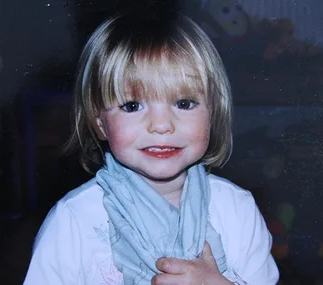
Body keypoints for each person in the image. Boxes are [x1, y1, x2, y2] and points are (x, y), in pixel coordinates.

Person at [23, 9, 279, 285]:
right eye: (132, 106)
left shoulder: (236, 210)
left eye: (184, 103)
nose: (161, 125)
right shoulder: (72, 221)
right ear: (100, 123)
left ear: (213, 113)